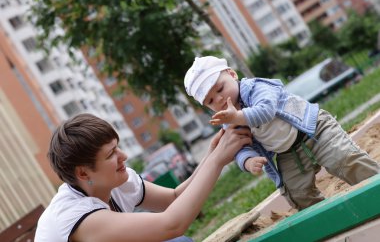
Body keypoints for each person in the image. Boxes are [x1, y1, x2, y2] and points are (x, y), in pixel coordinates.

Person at [184, 56, 380, 210]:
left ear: (232, 74)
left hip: (313, 129)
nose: (218, 99)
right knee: (297, 194)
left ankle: (375, 186)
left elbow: (266, 110)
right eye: (210, 101)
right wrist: (247, 160)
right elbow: (238, 147)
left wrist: (237, 117)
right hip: (288, 153)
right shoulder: (229, 121)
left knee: (343, 159)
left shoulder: (257, 87)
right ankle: (334, 218)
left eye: (220, 88)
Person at [34, 113, 252, 242]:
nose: (124, 157)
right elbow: (172, 224)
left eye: (117, 148)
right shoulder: (76, 217)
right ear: (83, 173)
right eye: (111, 154)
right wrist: (217, 162)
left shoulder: (115, 181)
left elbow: (174, 198)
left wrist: (211, 156)